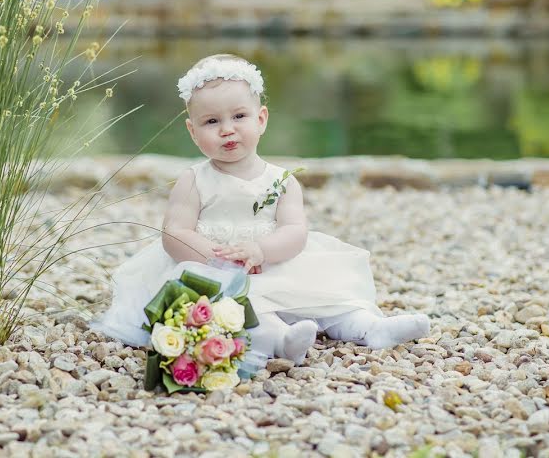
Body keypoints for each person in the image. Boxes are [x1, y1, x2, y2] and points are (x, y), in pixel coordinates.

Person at [89, 54, 430, 368]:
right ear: (193, 132)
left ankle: (371, 328)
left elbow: (295, 231)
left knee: (331, 297)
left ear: (261, 119)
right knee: (233, 309)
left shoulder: (281, 181)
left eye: (239, 116)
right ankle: (282, 340)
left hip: (274, 262)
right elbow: (175, 233)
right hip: (216, 268)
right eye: (211, 121)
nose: (227, 129)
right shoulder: (194, 180)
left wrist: (261, 251)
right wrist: (216, 258)